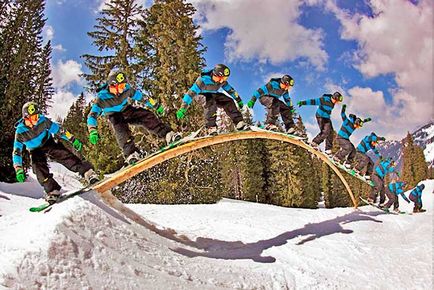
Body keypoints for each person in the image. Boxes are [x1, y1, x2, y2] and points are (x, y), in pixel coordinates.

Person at [87, 70, 181, 165]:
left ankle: (168, 134)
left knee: (145, 115)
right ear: (113, 85)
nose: (123, 88)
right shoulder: (101, 98)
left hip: (126, 110)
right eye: (121, 86)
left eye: (124, 85)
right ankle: (131, 153)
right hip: (114, 115)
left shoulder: (127, 89)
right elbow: (92, 115)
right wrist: (92, 130)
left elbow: (142, 97)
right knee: (121, 130)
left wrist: (156, 105)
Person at [12, 102, 99, 204]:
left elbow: (59, 130)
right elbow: (17, 152)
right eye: (34, 117)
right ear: (26, 117)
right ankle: (52, 191)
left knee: (63, 154)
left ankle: (88, 173)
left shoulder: (43, 121)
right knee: (38, 168)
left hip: (47, 141)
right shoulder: (20, 132)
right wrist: (18, 169)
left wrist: (72, 139)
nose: (37, 118)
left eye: (37, 115)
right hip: (35, 150)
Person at [176, 64, 247, 135]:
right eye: (220, 78)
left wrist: (238, 100)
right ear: (215, 74)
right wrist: (183, 108)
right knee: (210, 102)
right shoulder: (202, 81)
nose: (221, 81)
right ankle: (211, 127)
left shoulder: (222, 82)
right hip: (200, 95)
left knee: (228, 101)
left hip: (213, 94)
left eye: (224, 79)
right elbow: (190, 93)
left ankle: (238, 122)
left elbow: (231, 90)